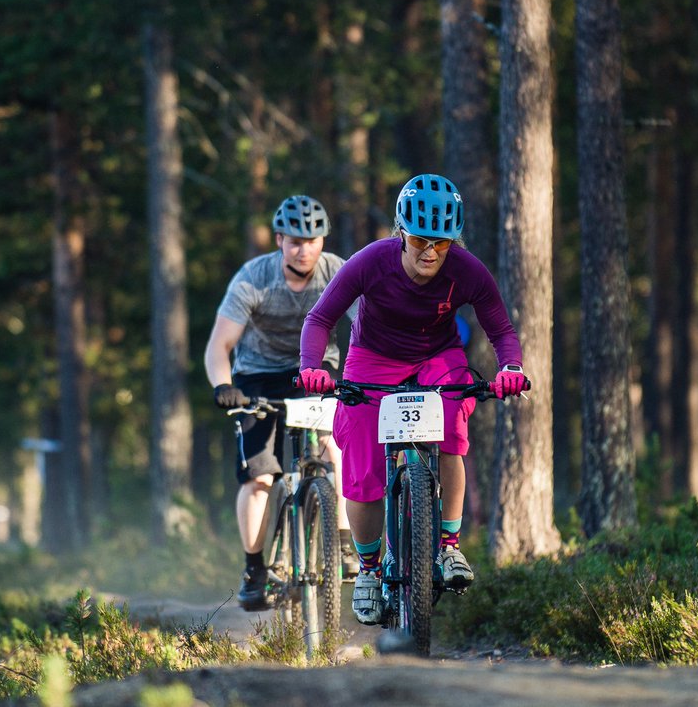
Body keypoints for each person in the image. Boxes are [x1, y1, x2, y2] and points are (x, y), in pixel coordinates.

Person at [297, 173, 529, 625]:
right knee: (362, 460)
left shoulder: (467, 270)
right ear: (402, 233)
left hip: (436, 357)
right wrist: (313, 367)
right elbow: (320, 317)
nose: (430, 252)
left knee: (451, 434)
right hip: (373, 357)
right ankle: (367, 570)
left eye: (441, 244)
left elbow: (501, 330)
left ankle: (448, 548)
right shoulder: (370, 262)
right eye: (421, 240)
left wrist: (511, 370)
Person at [204, 194, 354, 611]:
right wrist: (223, 384)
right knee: (259, 478)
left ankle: (342, 544)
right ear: (279, 241)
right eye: (294, 241)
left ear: (322, 241)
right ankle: (255, 569)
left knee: (334, 449)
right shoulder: (254, 278)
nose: (303, 250)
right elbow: (220, 345)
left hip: (315, 369)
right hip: (256, 377)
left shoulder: (338, 272)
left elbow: (366, 323)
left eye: (312, 240)